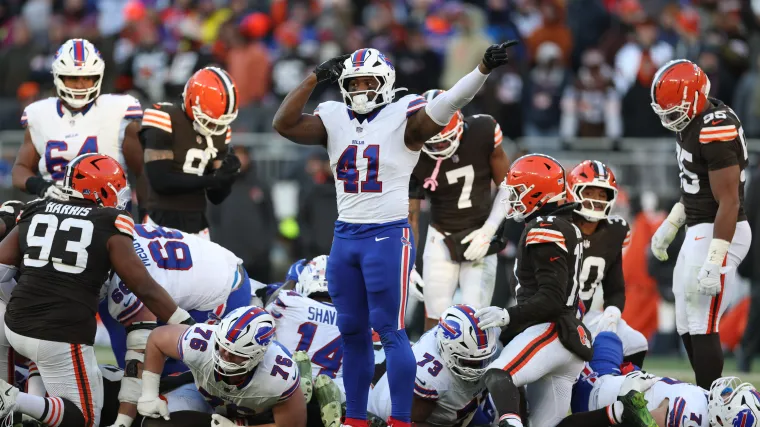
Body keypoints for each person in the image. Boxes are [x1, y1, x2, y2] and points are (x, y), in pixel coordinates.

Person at [271, 42, 517, 427]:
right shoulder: (333, 117)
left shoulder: (404, 117)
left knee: (390, 330)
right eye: (354, 83)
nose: (360, 90)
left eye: (368, 81)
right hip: (345, 236)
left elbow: (451, 101)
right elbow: (283, 123)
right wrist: (315, 77)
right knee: (352, 332)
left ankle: (400, 421)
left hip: (386, 236)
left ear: (385, 82)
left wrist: (482, 68)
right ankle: (354, 419)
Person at [0, 154, 194, 427]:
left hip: (15, 325)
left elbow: (1, 267)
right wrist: (185, 322)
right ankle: (15, 399)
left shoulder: (37, 208)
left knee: (43, 366)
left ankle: (25, 404)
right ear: (101, 189)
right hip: (59, 333)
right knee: (85, 418)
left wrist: (20, 301)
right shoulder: (110, 221)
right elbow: (143, 286)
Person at [649, 59, 752, 389]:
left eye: (675, 110)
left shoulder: (714, 127)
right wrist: (672, 224)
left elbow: (729, 200)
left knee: (701, 318)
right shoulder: (693, 122)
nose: (670, 118)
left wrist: (715, 257)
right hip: (700, 225)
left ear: (695, 98)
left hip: (722, 227)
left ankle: (713, 399)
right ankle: (705, 392)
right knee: (685, 316)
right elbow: (696, 186)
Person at [473, 154, 591, 427]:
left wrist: (508, 316)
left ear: (538, 192)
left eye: (518, 192)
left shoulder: (544, 227)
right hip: (567, 337)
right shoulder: (565, 223)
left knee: (498, 374)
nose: (513, 200)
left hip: (550, 330)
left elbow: (552, 298)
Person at [101, 223, 252, 427]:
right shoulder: (109, 232)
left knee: (169, 375)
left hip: (222, 290)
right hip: (188, 268)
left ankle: (227, 418)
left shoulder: (125, 286)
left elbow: (138, 356)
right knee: (135, 359)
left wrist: (123, 421)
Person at [409, 89, 510, 332]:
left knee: (476, 318)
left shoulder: (483, 130)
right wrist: (408, 264)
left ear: (460, 126)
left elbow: (509, 187)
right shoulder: (414, 151)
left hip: (479, 232)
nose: (439, 148)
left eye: (443, 141)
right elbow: (411, 216)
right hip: (440, 235)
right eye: (433, 142)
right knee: (435, 317)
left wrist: (488, 231)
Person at [11, 38, 144, 202]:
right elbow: (20, 169)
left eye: (87, 78)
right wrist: (40, 186)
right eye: (73, 78)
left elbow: (143, 171)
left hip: (105, 209)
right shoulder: (40, 114)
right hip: (54, 207)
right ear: (59, 77)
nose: (80, 85)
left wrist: (146, 210)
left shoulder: (118, 110)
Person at [136, 306, 307, 427]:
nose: (224, 354)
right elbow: (157, 338)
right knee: (155, 423)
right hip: (203, 396)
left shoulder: (278, 377)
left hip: (253, 417)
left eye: (234, 353)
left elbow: (293, 426)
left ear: (257, 356)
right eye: (222, 346)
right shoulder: (201, 342)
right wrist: (149, 393)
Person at [564, 331, 760, 427]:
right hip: (618, 387)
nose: (727, 393)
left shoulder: (691, 411)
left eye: (729, 399)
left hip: (594, 393)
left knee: (608, 336)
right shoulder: (706, 412)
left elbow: (643, 421)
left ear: (722, 417)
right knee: (625, 341)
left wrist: (630, 396)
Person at [140, 66, 242, 239]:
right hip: (159, 223)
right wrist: (212, 180)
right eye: (209, 121)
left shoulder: (221, 130)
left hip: (198, 226)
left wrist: (227, 178)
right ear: (191, 102)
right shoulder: (164, 117)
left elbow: (216, 197)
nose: (214, 128)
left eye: (220, 123)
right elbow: (161, 181)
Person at [566, 160, 649, 367]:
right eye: (589, 193)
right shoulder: (557, 228)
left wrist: (612, 312)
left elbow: (615, 289)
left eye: (602, 195)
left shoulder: (614, 231)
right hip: (552, 316)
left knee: (636, 343)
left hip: (585, 314)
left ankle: (623, 383)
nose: (596, 200)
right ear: (573, 192)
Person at [368, 304, 498, 426]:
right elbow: (412, 422)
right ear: (447, 350)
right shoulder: (430, 375)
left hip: (466, 404)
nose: (478, 368)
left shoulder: (482, 335)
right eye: (469, 362)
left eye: (483, 360)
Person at [265, 255, 345, 427]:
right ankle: (336, 397)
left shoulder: (287, 301)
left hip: (286, 392)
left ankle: (300, 378)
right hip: (333, 390)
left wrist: (290, 281)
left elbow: (260, 318)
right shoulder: (356, 318)